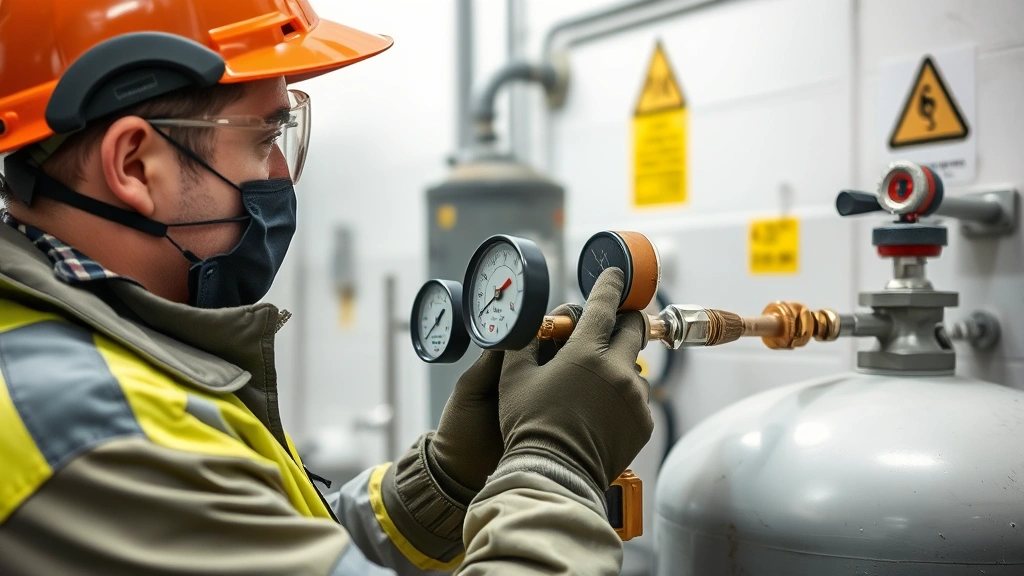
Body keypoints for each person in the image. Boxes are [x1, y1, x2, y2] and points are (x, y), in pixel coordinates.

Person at [0, 2, 654, 575]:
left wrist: (448, 478)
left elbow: (279, 541)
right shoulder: (94, 430)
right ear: (135, 165)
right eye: (263, 138)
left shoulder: (92, 347)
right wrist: (554, 461)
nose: (282, 174)